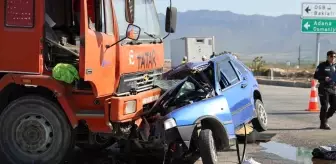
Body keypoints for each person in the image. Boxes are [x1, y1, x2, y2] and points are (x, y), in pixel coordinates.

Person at [314, 50, 336, 130]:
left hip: (332, 88)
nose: (333, 58)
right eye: (331, 56)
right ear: (328, 57)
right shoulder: (322, 65)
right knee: (325, 106)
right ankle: (323, 124)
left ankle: (325, 117)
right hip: (323, 88)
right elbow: (316, 76)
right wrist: (324, 78)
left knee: (334, 106)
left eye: (334, 57)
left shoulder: (335, 66)